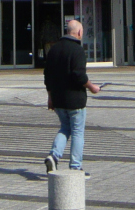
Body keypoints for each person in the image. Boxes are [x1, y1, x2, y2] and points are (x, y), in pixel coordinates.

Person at [43, 18, 101, 175]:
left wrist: (50, 97)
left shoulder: (54, 49)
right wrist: (92, 87)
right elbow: (79, 76)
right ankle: (75, 167)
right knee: (77, 132)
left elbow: (47, 76)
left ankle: (54, 156)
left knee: (65, 128)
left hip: (58, 99)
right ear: (79, 32)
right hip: (75, 100)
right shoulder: (77, 50)